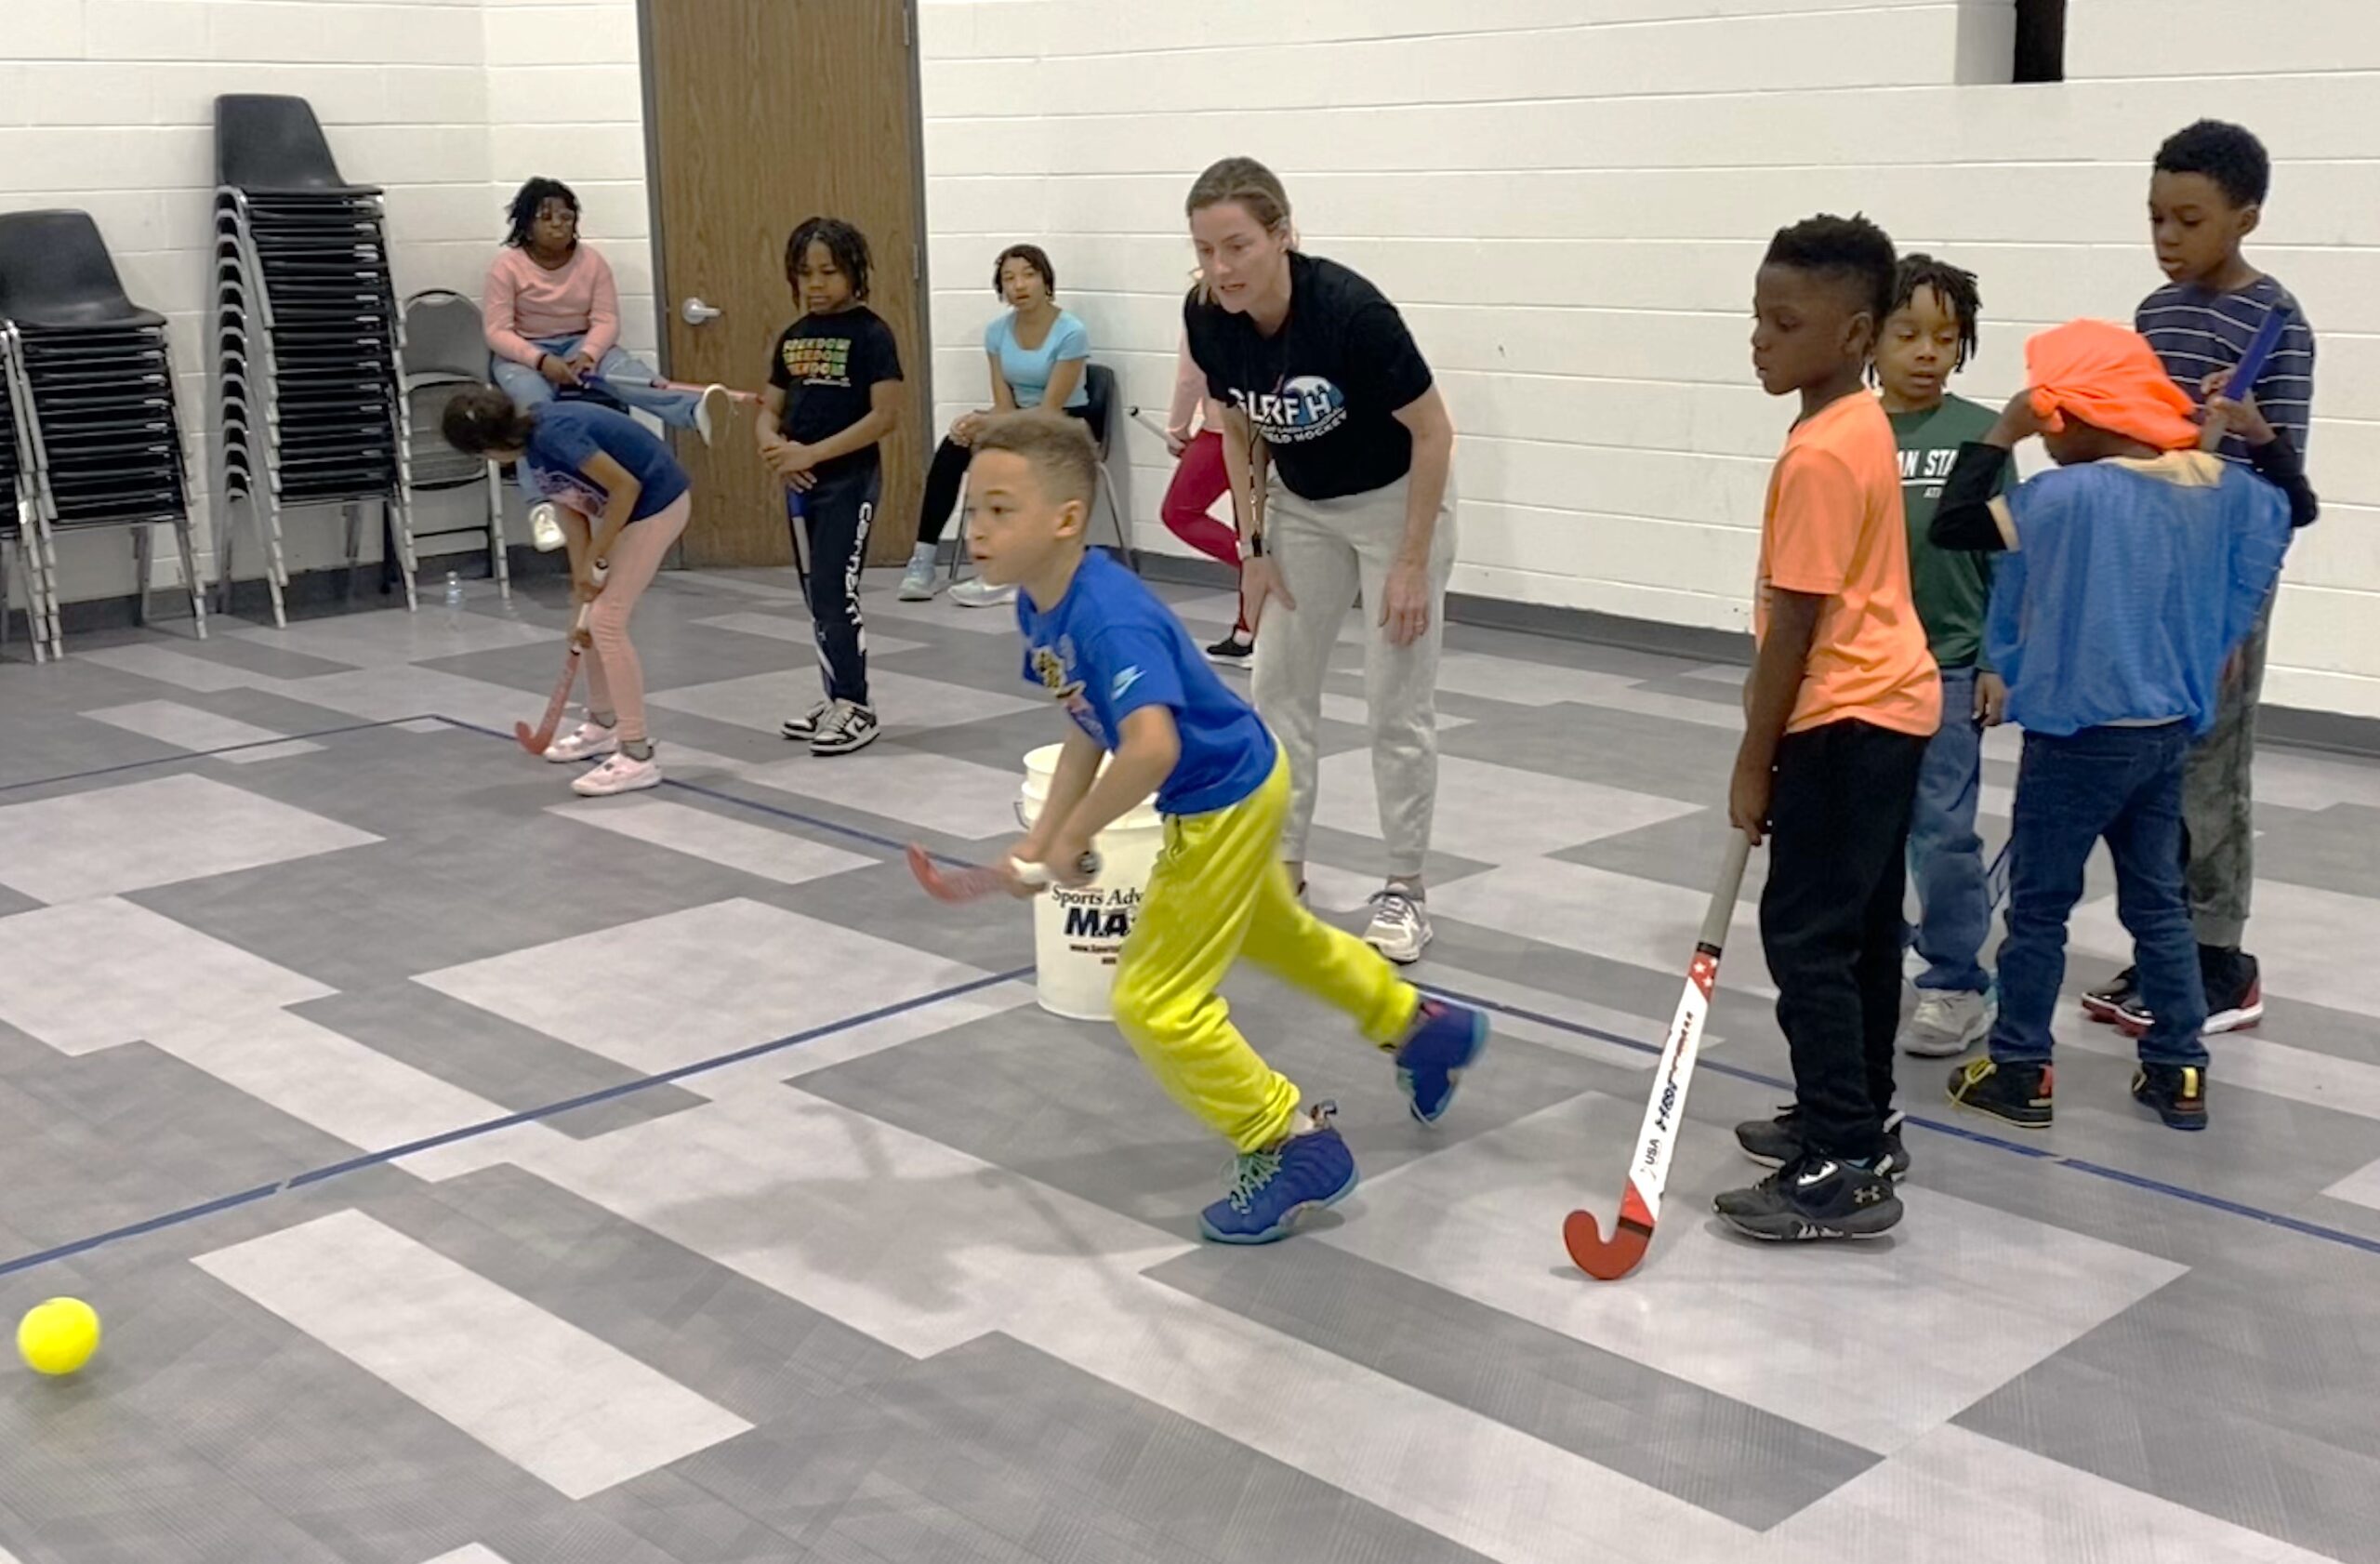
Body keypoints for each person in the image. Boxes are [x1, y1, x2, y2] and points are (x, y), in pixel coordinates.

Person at [965, 410, 1489, 1243]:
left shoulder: (1106, 616)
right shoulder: (1042, 605)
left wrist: (1072, 838)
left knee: (1152, 1001)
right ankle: (1422, 1029)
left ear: (1066, 520)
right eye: (973, 510)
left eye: (1000, 509)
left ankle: (1287, 1141)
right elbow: (1086, 725)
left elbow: (1148, 747)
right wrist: (1044, 838)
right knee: (1281, 939)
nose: (978, 529)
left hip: (1221, 799)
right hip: (1244, 777)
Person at [1934, 320, 2298, 1132]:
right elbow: (2295, 504)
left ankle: (2022, 1068)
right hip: (2167, 734)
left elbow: (1954, 523)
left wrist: (2004, 429)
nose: (2050, 435)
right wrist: (2262, 438)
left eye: (2055, 418)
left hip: (2075, 745)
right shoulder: (2208, 488)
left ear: (2080, 414)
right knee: (2159, 905)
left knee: (2039, 909)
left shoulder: (2062, 498)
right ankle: (2180, 1071)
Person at [1716, 214, 1940, 1245]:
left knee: (1805, 935)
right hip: (1889, 710)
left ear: (1852, 334)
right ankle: (1860, 1115)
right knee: (1857, 930)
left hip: (1842, 718)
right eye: (1757, 317)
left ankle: (1842, 1161)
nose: (1758, 338)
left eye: (1782, 321)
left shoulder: (1818, 456)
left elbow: (1793, 626)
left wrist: (1752, 761)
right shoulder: (1857, 425)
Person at [1183, 156, 1457, 966]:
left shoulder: (1351, 313)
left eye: (1237, 246)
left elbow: (1434, 432)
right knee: (1277, 691)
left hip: (1396, 501)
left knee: (1394, 701)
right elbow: (1235, 428)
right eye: (1205, 250)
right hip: (1301, 508)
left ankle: (1405, 887)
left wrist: (1409, 562)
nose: (1222, 269)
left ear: (1281, 235)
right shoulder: (1208, 316)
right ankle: (1282, 873)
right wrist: (1253, 548)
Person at [2087, 119, 2320, 1038]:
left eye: (2188, 219)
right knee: (2152, 759)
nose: (2167, 238)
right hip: (2156, 566)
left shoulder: (2276, 323)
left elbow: (2281, 476)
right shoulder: (2155, 315)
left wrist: (2252, 427)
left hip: (2228, 574)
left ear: (2245, 218)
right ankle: (2163, 945)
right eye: (2154, 218)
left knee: (2210, 764)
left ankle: (2221, 959)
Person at [1872, 256, 2009, 1059]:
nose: (1928, 351)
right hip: (1866, 673)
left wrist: (1997, 656)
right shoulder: (1845, 431)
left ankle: (1956, 980)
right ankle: (1873, 962)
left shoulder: (1981, 436)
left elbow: (2010, 560)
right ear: (1873, 339)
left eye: (1946, 337)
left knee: (1944, 832)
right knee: (1872, 833)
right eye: (1909, 333)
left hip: (1952, 669)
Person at [442, 389, 694, 798]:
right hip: (625, 511)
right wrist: (581, 581)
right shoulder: (532, 446)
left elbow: (625, 488)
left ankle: (637, 755)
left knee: (607, 622)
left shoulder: (556, 434)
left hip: (656, 505)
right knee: (589, 617)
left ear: (488, 449)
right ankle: (602, 724)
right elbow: (571, 506)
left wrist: (598, 556)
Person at [761, 217, 905, 758]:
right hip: (799, 485)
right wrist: (774, 449)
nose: (816, 284)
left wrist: (813, 453)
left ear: (854, 273)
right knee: (813, 594)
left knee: (834, 589)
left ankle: (857, 704)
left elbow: (884, 417)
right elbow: (768, 408)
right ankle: (834, 697)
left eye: (828, 272)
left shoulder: (872, 334)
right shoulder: (794, 337)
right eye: (805, 273)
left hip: (849, 481)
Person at [483, 178, 727, 467]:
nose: (558, 224)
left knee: (634, 378)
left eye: (566, 217)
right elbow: (497, 331)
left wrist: (589, 353)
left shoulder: (592, 262)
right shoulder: (506, 266)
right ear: (526, 225)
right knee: (534, 413)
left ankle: (695, 411)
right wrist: (541, 360)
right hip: (523, 354)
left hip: (582, 342)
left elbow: (606, 319)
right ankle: (543, 500)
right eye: (546, 217)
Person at [899, 244, 1092, 606]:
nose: (1019, 285)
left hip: (1065, 424)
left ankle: (1010, 572)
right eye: (1009, 278)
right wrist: (979, 424)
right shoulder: (997, 332)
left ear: (1045, 281)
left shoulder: (1071, 332)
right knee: (954, 445)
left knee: (1012, 468)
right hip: (1018, 419)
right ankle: (923, 560)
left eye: (1028, 275)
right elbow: (1005, 404)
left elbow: (1050, 411)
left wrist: (989, 421)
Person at [1159, 324, 1250, 666]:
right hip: (1272, 430)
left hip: (1221, 431)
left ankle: (1258, 572)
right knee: (1253, 528)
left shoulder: (1204, 308)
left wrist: (1177, 429)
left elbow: (1191, 377)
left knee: (1180, 511)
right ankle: (1248, 633)